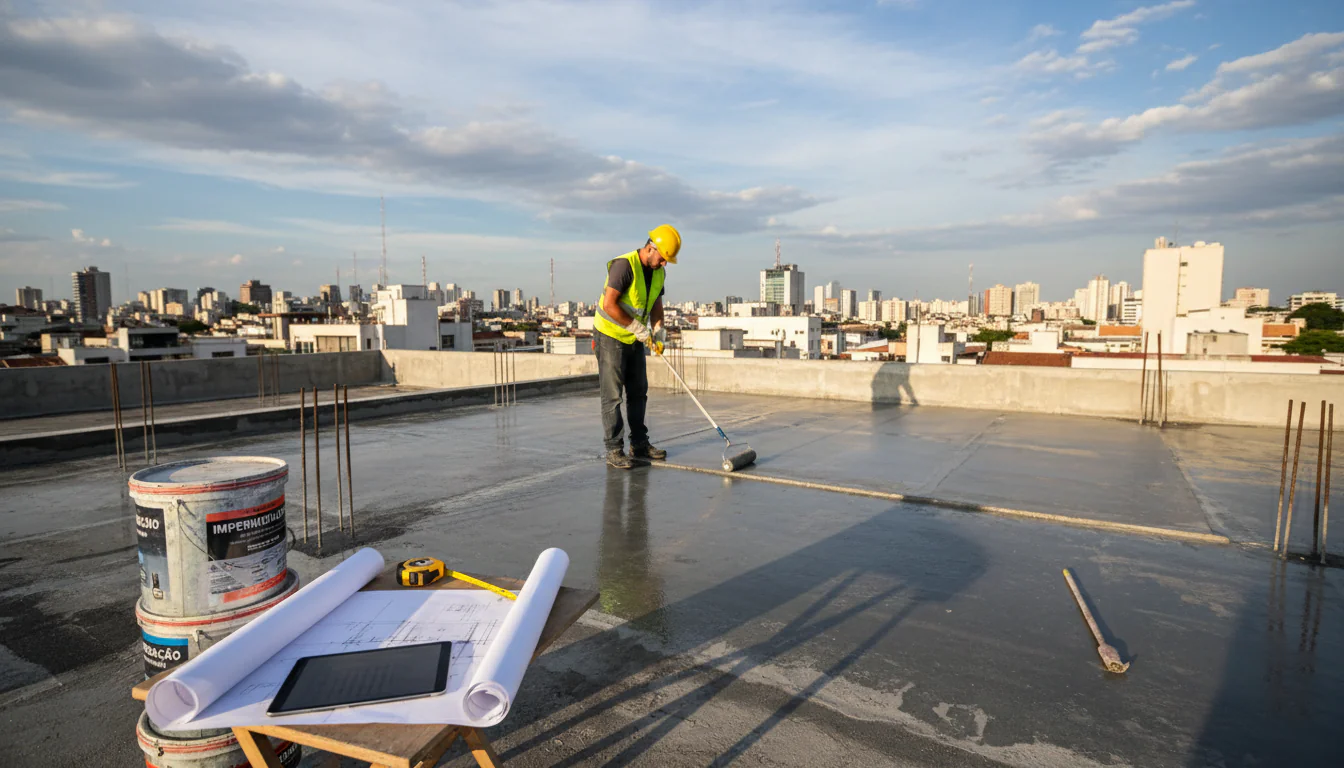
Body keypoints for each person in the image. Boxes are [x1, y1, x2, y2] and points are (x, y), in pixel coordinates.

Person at [593, 224, 680, 469]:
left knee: (639, 391)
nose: (664, 264)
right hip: (611, 336)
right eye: (663, 258)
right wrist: (640, 330)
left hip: (635, 339)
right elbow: (610, 304)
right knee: (612, 396)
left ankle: (639, 443)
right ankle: (614, 449)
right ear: (651, 248)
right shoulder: (624, 265)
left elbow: (655, 306)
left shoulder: (660, 272)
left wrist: (659, 333)